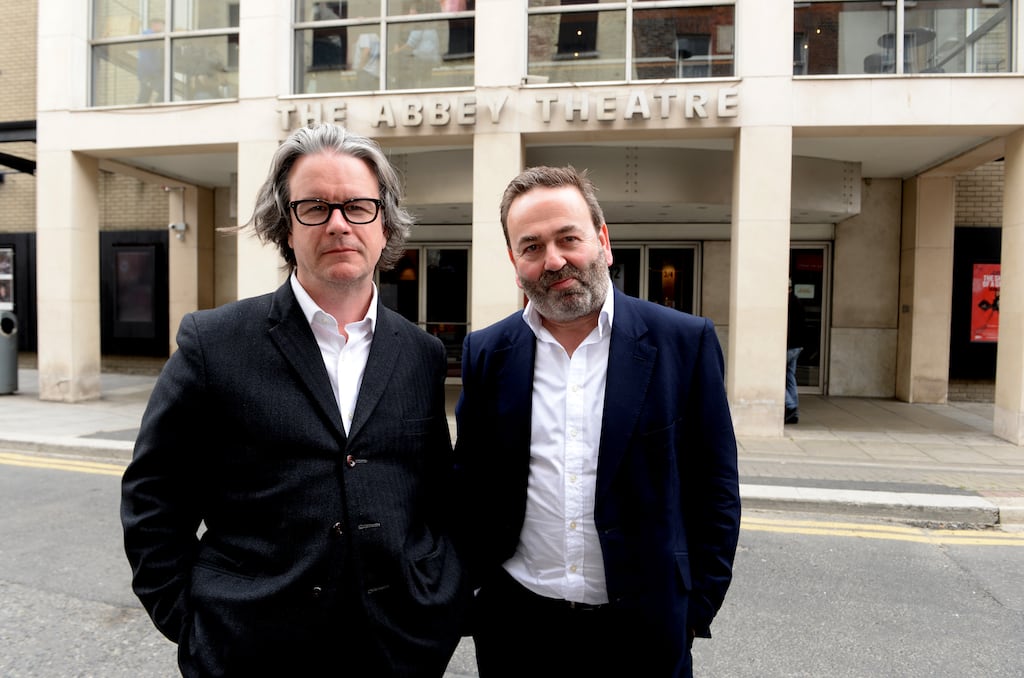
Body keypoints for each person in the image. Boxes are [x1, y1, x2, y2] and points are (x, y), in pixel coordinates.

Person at [121, 123, 470, 677]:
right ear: (286, 225)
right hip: (250, 651)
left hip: (397, 650)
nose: (338, 224)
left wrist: (440, 604)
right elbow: (154, 497)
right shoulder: (213, 342)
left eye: (358, 207)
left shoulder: (422, 353)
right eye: (315, 207)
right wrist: (192, 621)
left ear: (384, 224)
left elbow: (434, 495)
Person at [453, 165, 742, 677]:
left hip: (644, 633)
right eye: (532, 246)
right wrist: (476, 591)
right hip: (517, 628)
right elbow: (469, 485)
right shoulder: (487, 352)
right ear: (514, 261)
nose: (554, 260)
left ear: (603, 240)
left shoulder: (684, 342)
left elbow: (714, 488)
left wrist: (694, 612)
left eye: (569, 238)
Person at [786, 278, 806, 424]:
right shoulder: (797, 301)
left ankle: (791, 406)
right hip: (797, 346)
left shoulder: (787, 303)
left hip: (789, 346)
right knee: (789, 377)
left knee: (775, 376)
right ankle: (794, 409)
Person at [136, 18, 164, 104]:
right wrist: (155, 72)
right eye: (161, 25)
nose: (163, 28)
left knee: (145, 95)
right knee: (164, 92)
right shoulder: (149, 35)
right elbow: (146, 59)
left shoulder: (153, 36)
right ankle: (157, 108)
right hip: (149, 73)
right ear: (154, 25)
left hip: (149, 73)